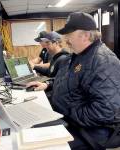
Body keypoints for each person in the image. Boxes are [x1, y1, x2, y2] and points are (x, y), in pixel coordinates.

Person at [26, 12, 120, 150]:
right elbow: (69, 79)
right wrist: (48, 84)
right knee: (28, 127)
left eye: (69, 35)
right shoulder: (78, 55)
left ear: (86, 35)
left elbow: (105, 111)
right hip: (69, 118)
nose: (66, 40)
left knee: (38, 145)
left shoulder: (104, 62)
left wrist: (66, 113)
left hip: (91, 130)